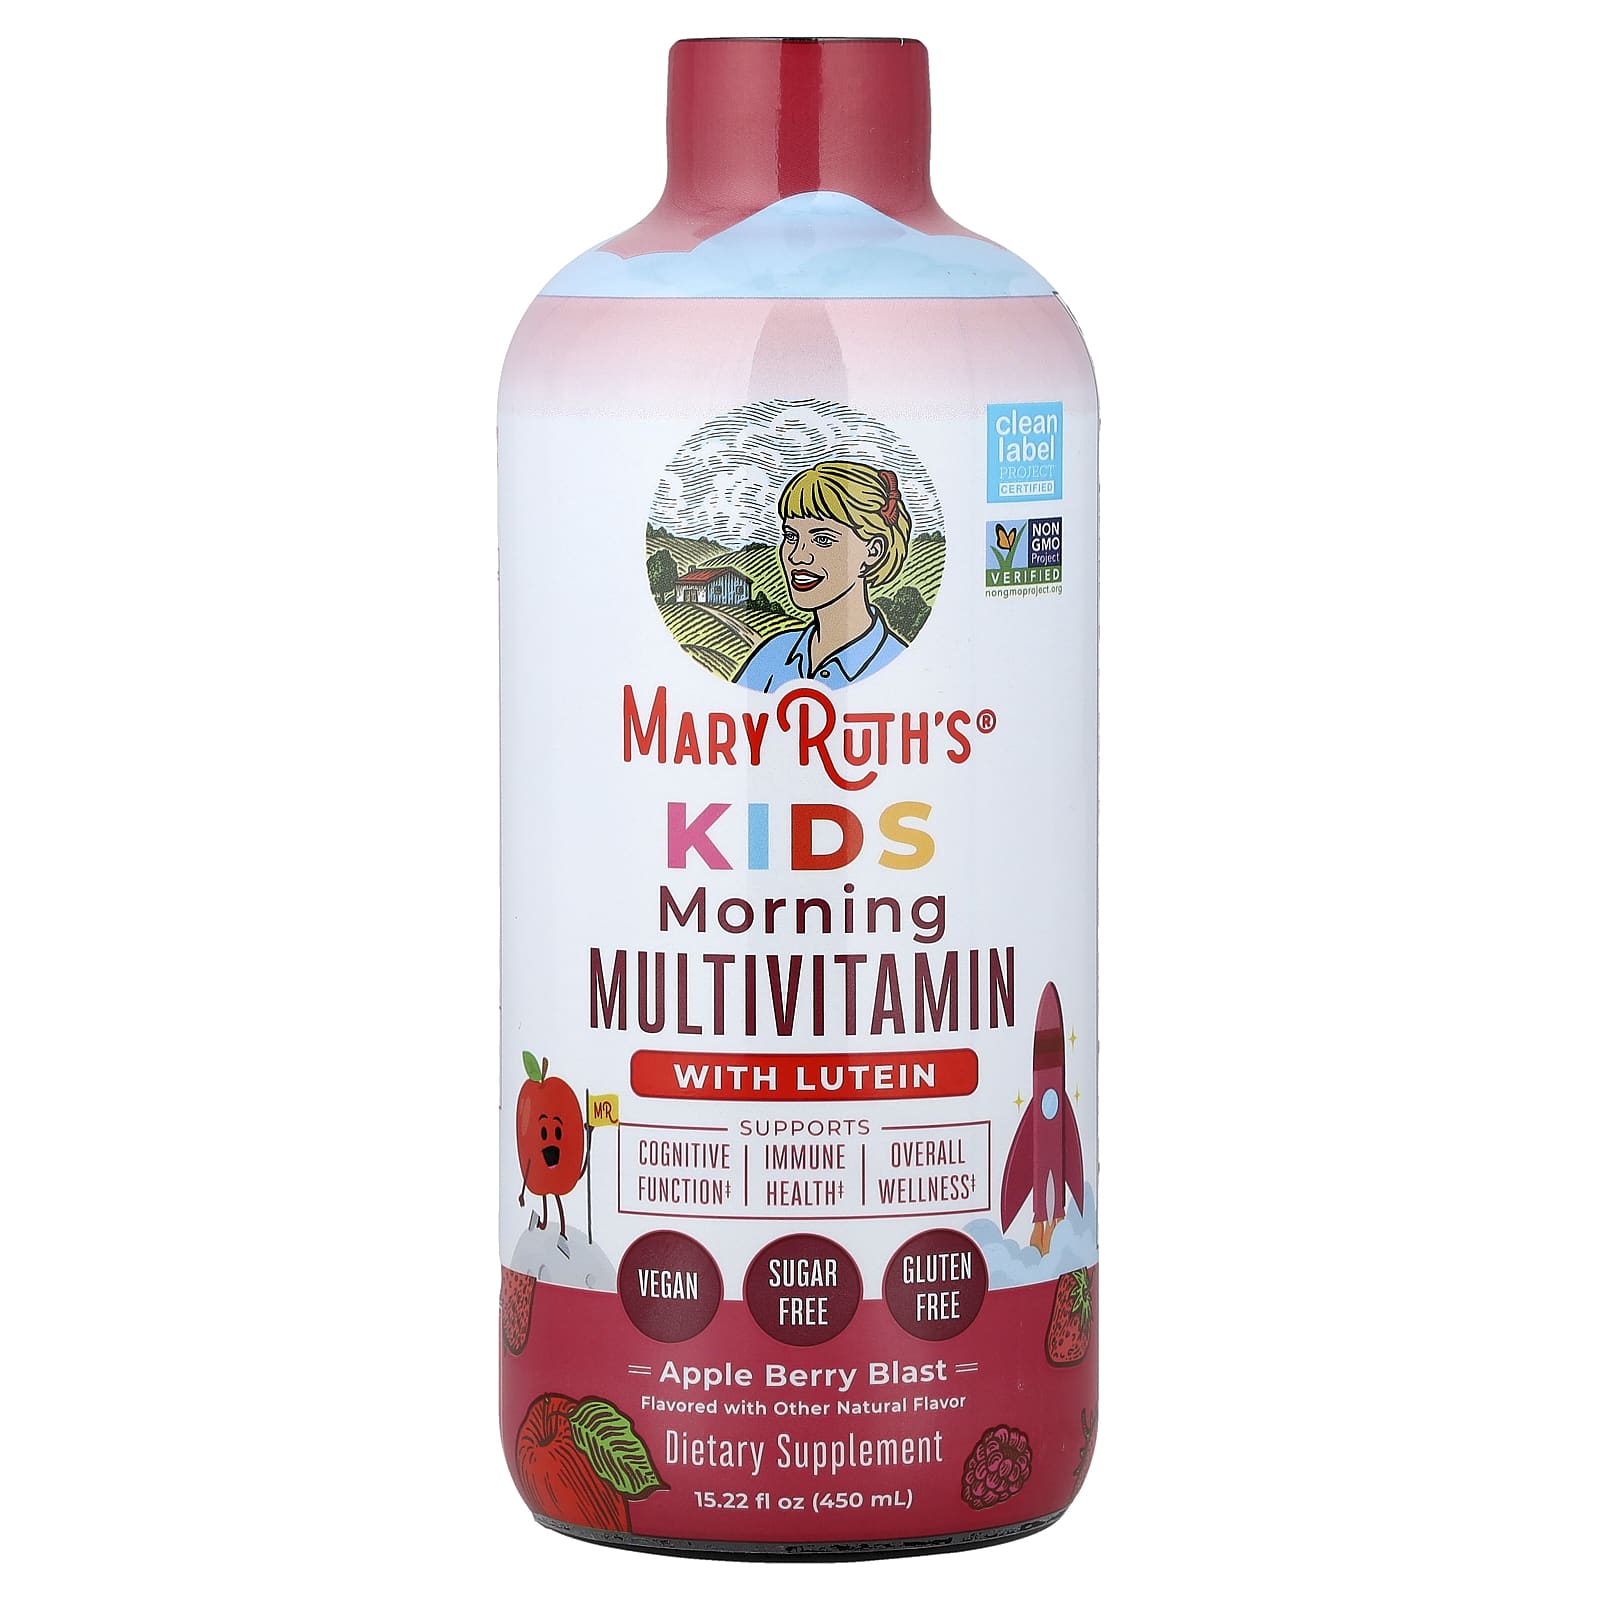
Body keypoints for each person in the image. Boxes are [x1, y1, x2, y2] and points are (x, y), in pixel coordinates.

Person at [736, 460, 911, 690]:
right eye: (791, 536)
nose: (797, 556)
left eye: (822, 539)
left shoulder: (901, 665)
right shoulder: (772, 654)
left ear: (873, 551)